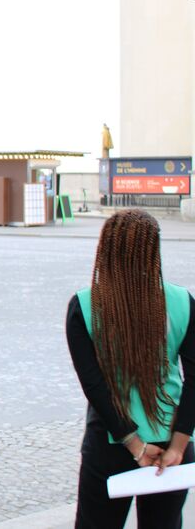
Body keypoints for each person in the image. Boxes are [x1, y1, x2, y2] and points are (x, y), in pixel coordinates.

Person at [66, 209, 195, 528]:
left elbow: (94, 387)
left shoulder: (84, 306)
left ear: (106, 249)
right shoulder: (182, 302)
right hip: (170, 442)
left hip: (111, 443)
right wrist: (179, 446)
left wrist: (135, 446)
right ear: (154, 250)